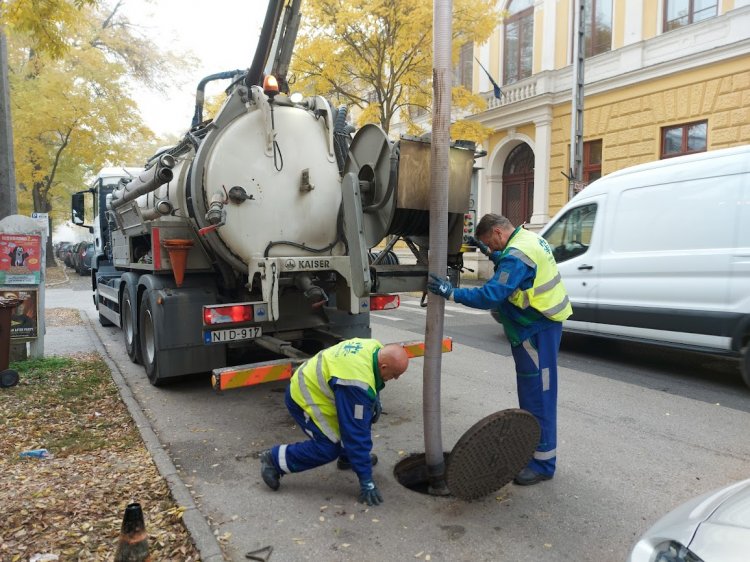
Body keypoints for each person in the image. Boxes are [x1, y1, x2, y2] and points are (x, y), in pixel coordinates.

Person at [427, 213, 572, 486]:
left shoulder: (516, 255)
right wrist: (489, 253)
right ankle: (537, 455)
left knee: (538, 397)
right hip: (541, 327)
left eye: (491, 245)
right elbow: (516, 271)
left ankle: (543, 464)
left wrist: (451, 293)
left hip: (534, 332)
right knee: (536, 394)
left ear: (497, 232)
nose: (492, 250)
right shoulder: (526, 239)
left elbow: (491, 294)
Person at [259, 338, 410, 505]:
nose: (395, 379)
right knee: (328, 447)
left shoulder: (376, 348)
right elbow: (355, 433)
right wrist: (366, 480)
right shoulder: (356, 383)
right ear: (384, 367)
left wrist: (375, 400)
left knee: (361, 415)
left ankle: (348, 458)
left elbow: (369, 383)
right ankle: (274, 460)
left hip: (324, 389)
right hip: (304, 396)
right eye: (395, 374)